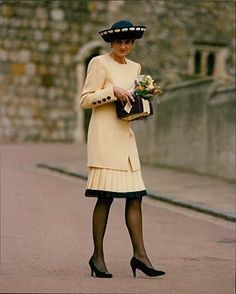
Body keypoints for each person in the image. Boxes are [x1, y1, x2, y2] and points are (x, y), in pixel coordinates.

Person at [80, 20, 165, 278]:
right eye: (119, 42)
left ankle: (140, 256)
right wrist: (111, 91)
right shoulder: (98, 63)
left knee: (135, 196)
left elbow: (131, 100)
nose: (123, 46)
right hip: (104, 137)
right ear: (111, 43)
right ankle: (97, 257)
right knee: (105, 197)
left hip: (125, 139)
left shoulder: (136, 67)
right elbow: (85, 100)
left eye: (128, 42)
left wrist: (140, 111)